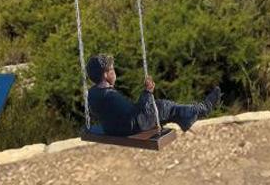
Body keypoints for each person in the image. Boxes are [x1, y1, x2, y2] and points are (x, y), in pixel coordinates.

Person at [85, 53, 221, 136]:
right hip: (130, 128)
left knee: (162, 110)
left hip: (112, 128)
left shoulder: (92, 93)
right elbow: (135, 112)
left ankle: (187, 117)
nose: (115, 73)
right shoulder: (111, 96)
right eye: (112, 70)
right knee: (163, 107)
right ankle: (201, 109)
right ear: (105, 74)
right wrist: (147, 92)